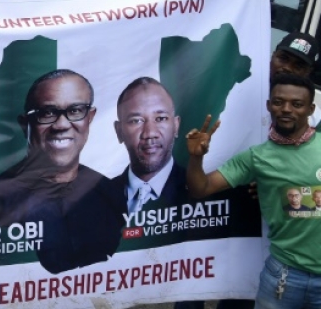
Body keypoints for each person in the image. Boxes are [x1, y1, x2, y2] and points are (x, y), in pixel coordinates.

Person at [0, 69, 126, 274]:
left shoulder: (109, 192)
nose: (61, 125)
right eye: (47, 113)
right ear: (25, 124)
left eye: (76, 110)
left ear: (90, 117)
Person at [187, 74, 321, 309]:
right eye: (278, 102)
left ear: (310, 109)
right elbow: (201, 188)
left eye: (297, 104)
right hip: (284, 277)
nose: (286, 109)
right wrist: (196, 158)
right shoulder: (256, 157)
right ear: (269, 105)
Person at [111, 78, 185, 213]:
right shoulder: (96, 201)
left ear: (176, 126)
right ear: (119, 131)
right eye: (136, 121)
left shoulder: (204, 193)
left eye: (161, 118)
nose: (150, 133)